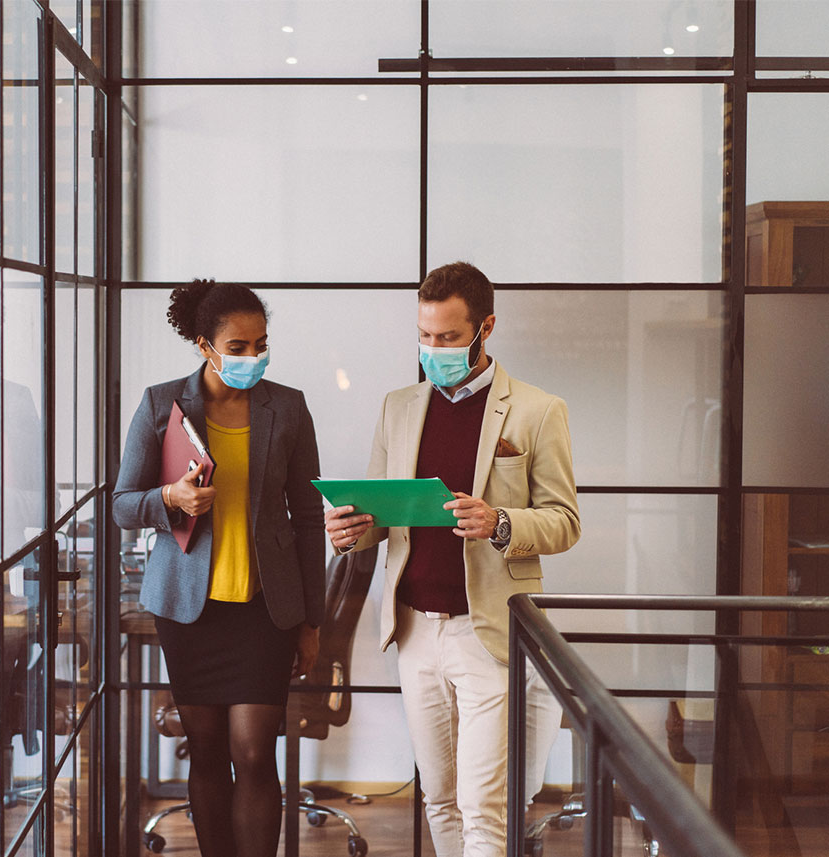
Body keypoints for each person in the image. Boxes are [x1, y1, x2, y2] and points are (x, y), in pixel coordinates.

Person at [327, 262, 580, 857]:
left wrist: (500, 523)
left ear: (485, 327)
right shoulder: (399, 406)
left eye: (446, 337)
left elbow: (565, 522)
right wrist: (348, 531)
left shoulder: (537, 411)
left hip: (486, 630)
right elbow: (377, 518)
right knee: (438, 797)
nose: (432, 349)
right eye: (424, 336)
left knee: (483, 806)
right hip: (414, 627)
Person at [113, 280, 326, 857]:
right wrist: (171, 499)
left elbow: (309, 516)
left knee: (255, 752)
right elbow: (121, 504)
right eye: (238, 346)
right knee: (206, 753)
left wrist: (311, 621)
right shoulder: (162, 404)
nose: (251, 357)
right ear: (205, 345)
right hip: (189, 610)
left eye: (261, 344)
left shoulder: (288, 405)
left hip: (265, 609)